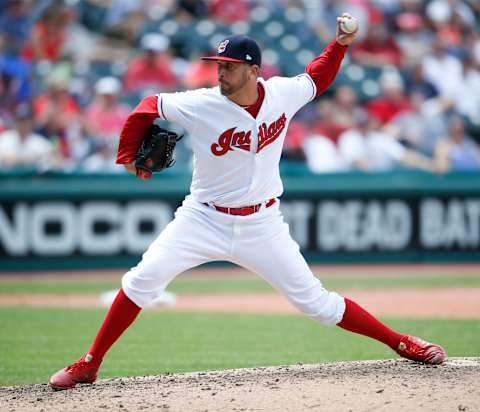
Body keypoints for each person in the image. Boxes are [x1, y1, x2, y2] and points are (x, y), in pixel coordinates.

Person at [49, 14, 446, 391]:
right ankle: (90, 363)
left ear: (253, 71)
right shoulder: (201, 102)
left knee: (319, 305)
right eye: (218, 65)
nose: (220, 73)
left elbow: (318, 76)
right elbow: (147, 106)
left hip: (262, 223)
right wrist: (127, 156)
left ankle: (400, 343)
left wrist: (339, 44)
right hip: (202, 219)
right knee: (141, 281)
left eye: (229, 66)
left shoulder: (280, 94)